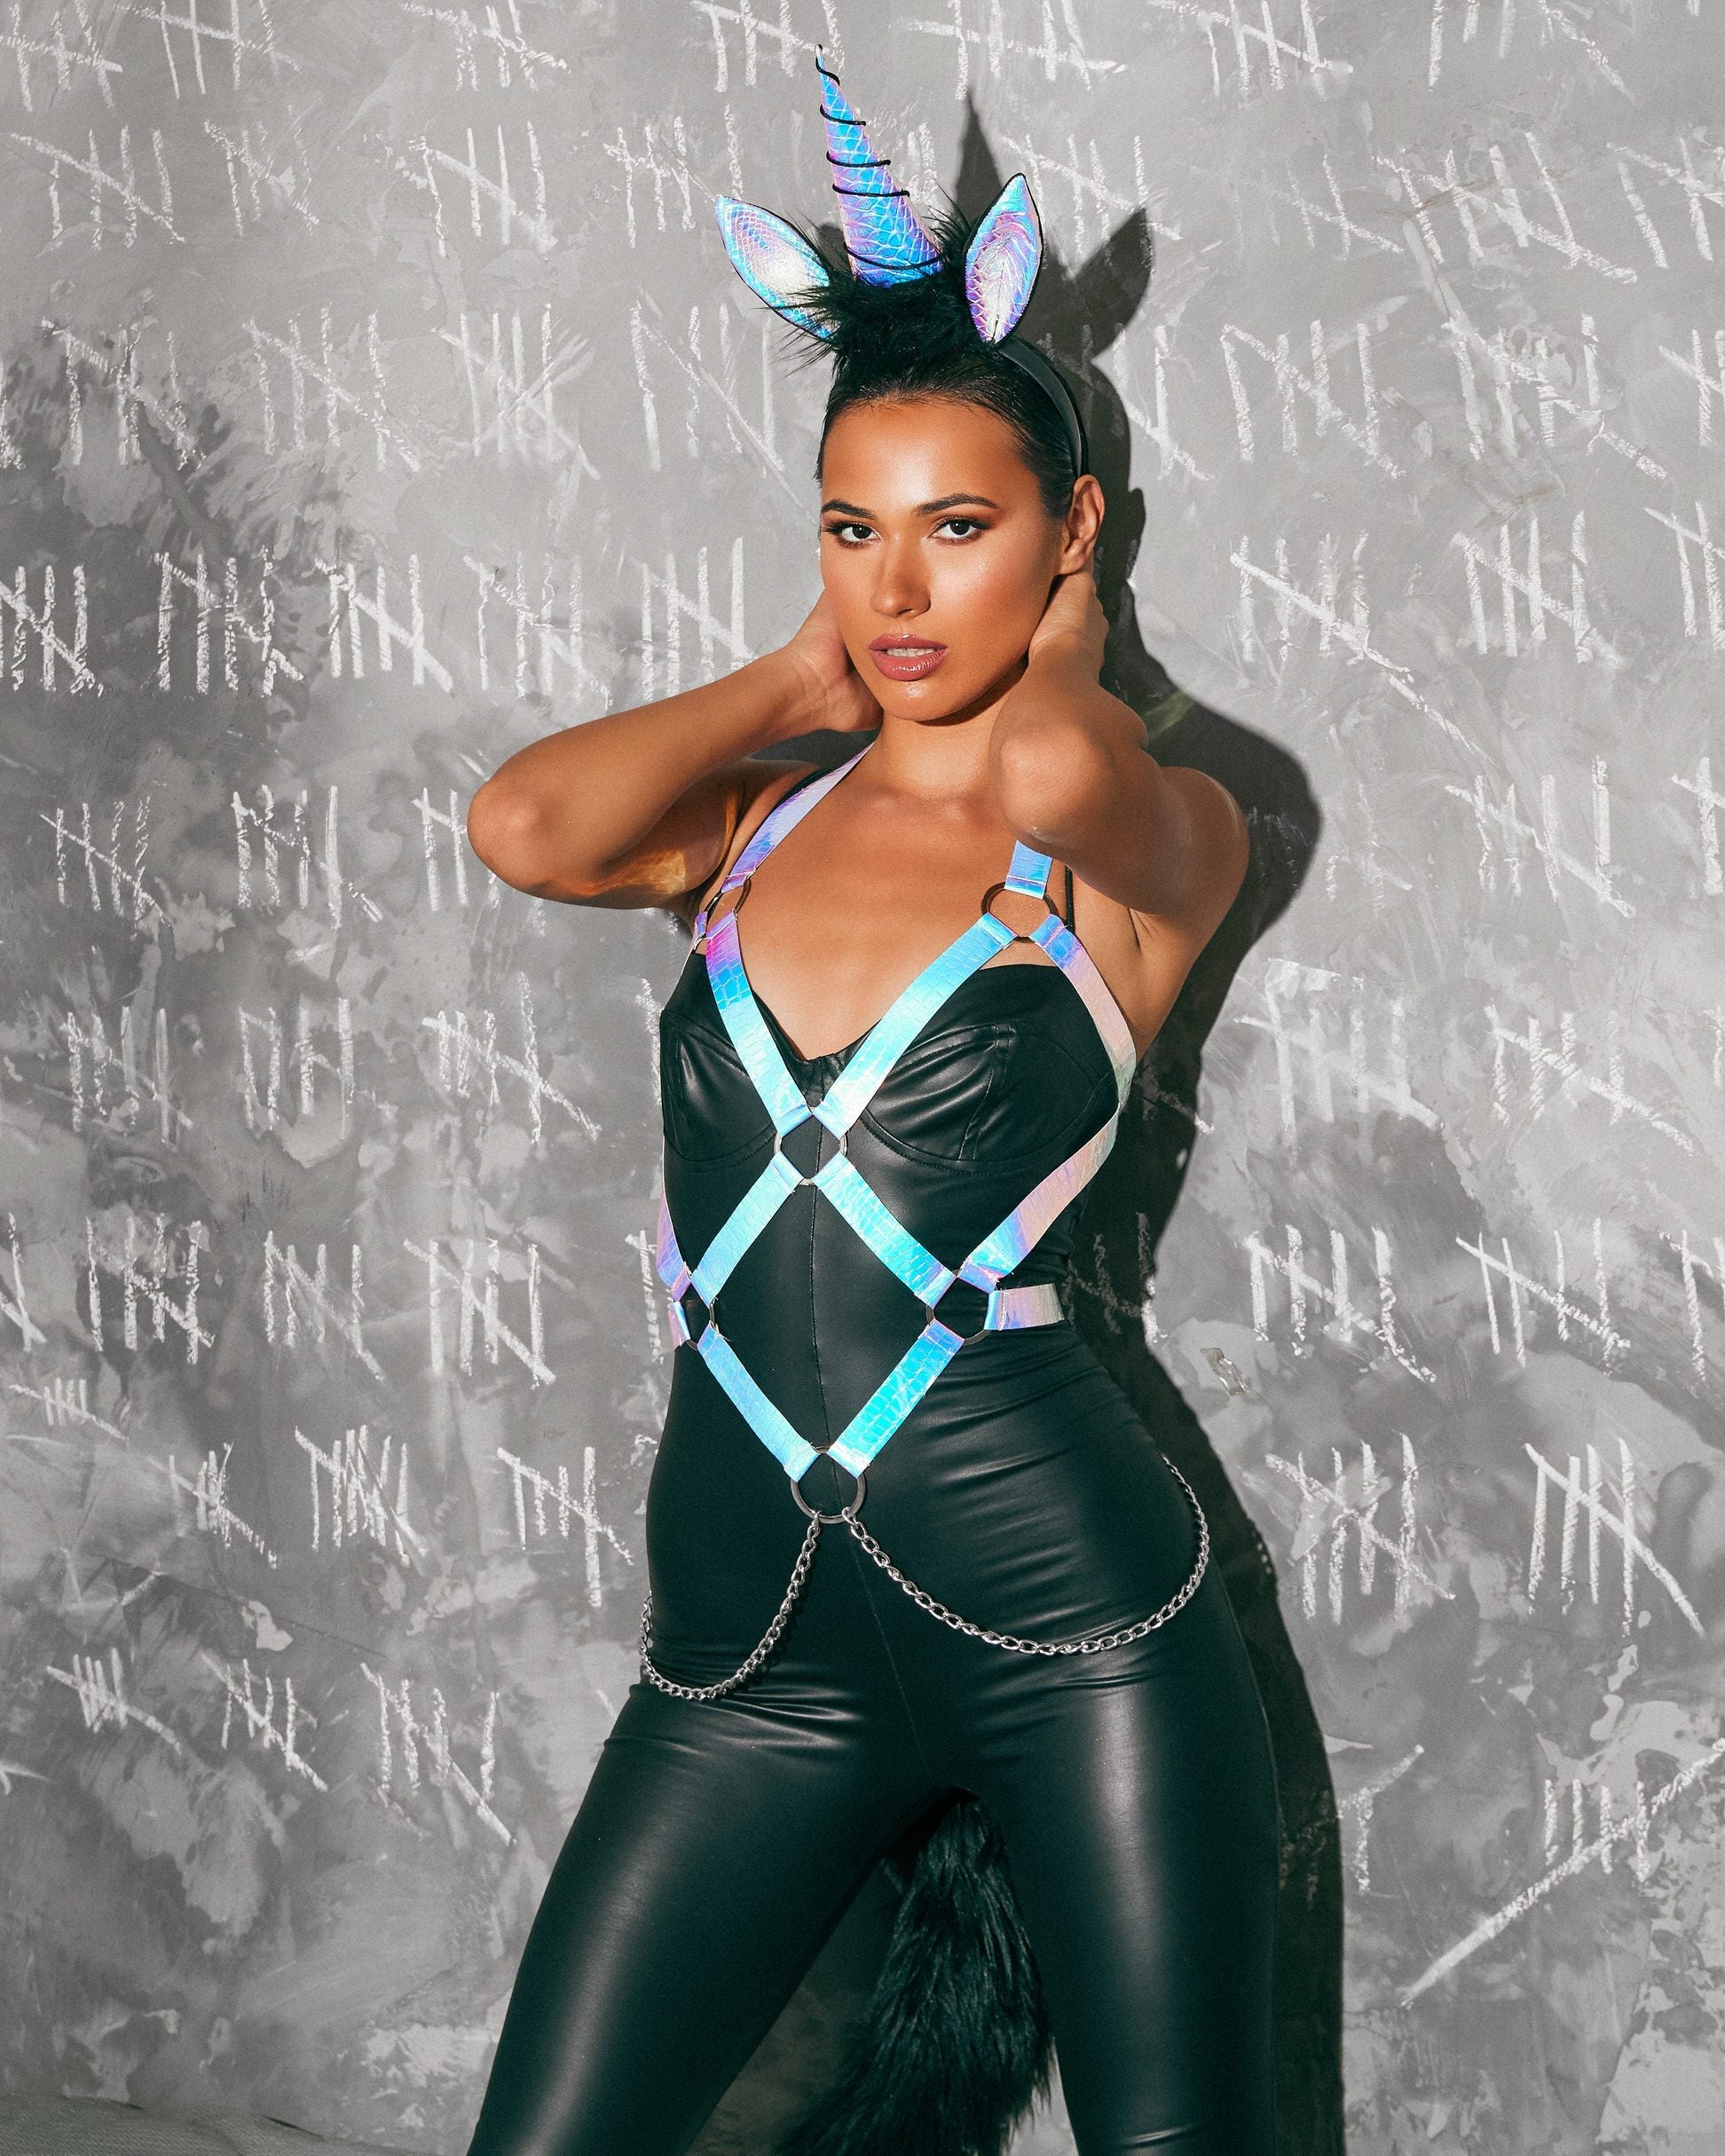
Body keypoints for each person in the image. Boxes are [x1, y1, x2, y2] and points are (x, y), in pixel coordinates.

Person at [460, 51, 1279, 2156]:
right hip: (750, 1652)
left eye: (958, 529)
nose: (898, 589)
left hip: (1074, 1625)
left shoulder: (1151, 837)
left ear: (1069, 533)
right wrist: (789, 682)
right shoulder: (755, 826)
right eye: (852, 530)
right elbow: (523, 822)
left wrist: (1062, 647)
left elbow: (1050, 767)